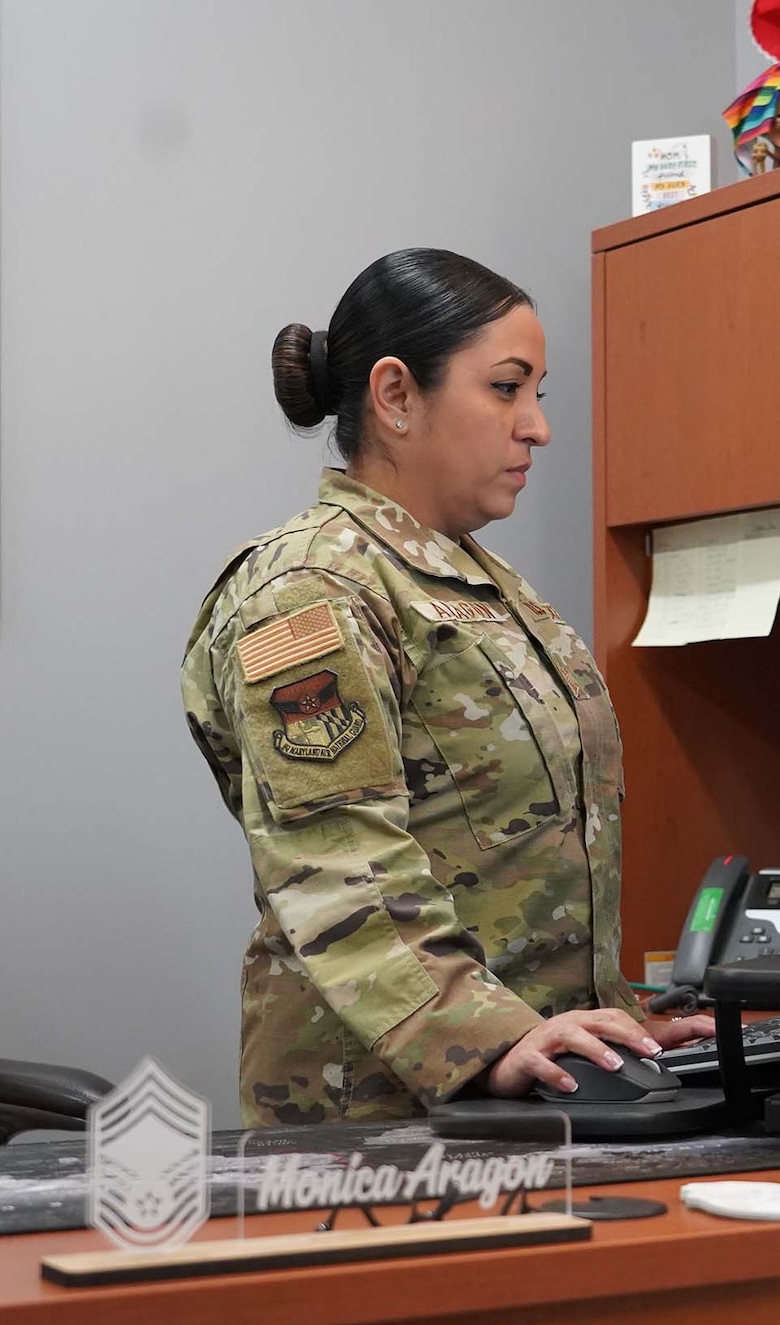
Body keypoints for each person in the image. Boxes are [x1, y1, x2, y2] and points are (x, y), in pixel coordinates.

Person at [182, 249, 713, 1126]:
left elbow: (523, 868)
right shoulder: (313, 589)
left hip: (523, 1091)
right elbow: (335, 866)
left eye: (539, 392)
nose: (537, 425)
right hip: (380, 1116)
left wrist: (628, 1031)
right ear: (395, 397)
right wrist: (492, 1038)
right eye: (507, 389)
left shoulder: (480, 583)